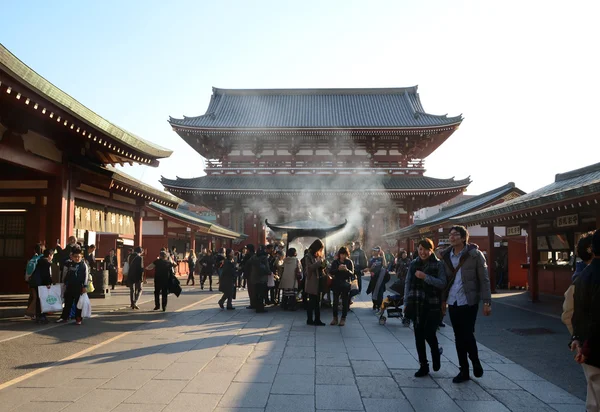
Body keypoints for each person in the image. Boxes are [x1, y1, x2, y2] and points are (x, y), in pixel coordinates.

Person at [441, 225, 491, 383]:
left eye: (456, 234)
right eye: (450, 235)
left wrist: (487, 301)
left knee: (467, 333)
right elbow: (444, 281)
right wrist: (442, 301)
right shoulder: (446, 256)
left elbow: (484, 279)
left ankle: (475, 361)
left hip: (469, 300)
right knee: (458, 336)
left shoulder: (475, 255)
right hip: (453, 300)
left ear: (464, 238)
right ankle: (464, 369)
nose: (452, 237)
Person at [404, 238, 447, 377]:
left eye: (426, 249)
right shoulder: (413, 264)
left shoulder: (438, 264)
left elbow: (442, 283)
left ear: (431, 250)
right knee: (418, 336)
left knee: (429, 333)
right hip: (416, 302)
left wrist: (425, 277)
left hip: (433, 303)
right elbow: (408, 283)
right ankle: (423, 365)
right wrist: (405, 303)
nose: (423, 252)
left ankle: (436, 353)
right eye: (420, 249)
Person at [571, 230, 600, 412]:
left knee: (594, 396)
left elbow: (578, 312)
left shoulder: (583, 276)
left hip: (588, 345)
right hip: (593, 342)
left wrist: (578, 339)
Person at [56, 246, 89, 325]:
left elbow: (86, 276)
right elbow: (64, 274)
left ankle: (78, 318)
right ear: (72, 256)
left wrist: (85, 286)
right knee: (68, 302)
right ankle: (64, 317)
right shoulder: (69, 264)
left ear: (81, 256)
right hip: (70, 286)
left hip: (79, 287)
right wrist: (63, 283)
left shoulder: (83, 265)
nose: (77, 258)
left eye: (79, 257)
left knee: (78, 303)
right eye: (75, 257)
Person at [330, 246, 354, 326]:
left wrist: (346, 270)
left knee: (345, 302)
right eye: (342, 254)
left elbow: (352, 273)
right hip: (336, 283)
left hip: (345, 284)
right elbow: (331, 272)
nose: (343, 256)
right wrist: (338, 269)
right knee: (335, 302)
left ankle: (343, 318)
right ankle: (335, 318)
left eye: (345, 254)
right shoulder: (335, 262)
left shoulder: (349, 262)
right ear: (339, 254)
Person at [304, 239, 326, 326]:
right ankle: (309, 319)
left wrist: (323, 265)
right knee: (312, 301)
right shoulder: (308, 256)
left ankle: (317, 319)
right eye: (320, 249)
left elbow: (320, 267)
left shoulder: (318, 256)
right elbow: (309, 268)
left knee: (318, 302)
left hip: (319, 279)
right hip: (312, 280)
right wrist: (319, 263)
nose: (320, 251)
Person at [30, 248, 53, 323]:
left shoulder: (39, 261)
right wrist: (48, 283)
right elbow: (46, 275)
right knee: (42, 300)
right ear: (49, 255)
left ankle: (38, 315)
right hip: (41, 283)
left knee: (38, 299)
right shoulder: (46, 263)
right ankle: (41, 316)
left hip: (34, 282)